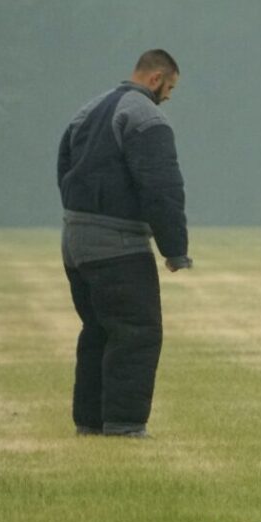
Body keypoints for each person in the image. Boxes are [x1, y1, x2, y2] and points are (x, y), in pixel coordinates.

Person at [57, 49, 190, 438]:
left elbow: (64, 169)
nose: (168, 97)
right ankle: (126, 426)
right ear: (155, 79)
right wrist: (174, 248)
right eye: (169, 88)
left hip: (74, 240)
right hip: (118, 245)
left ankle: (90, 423)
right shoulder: (145, 117)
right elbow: (162, 188)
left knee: (97, 330)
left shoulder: (87, 111)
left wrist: (78, 218)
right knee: (137, 331)